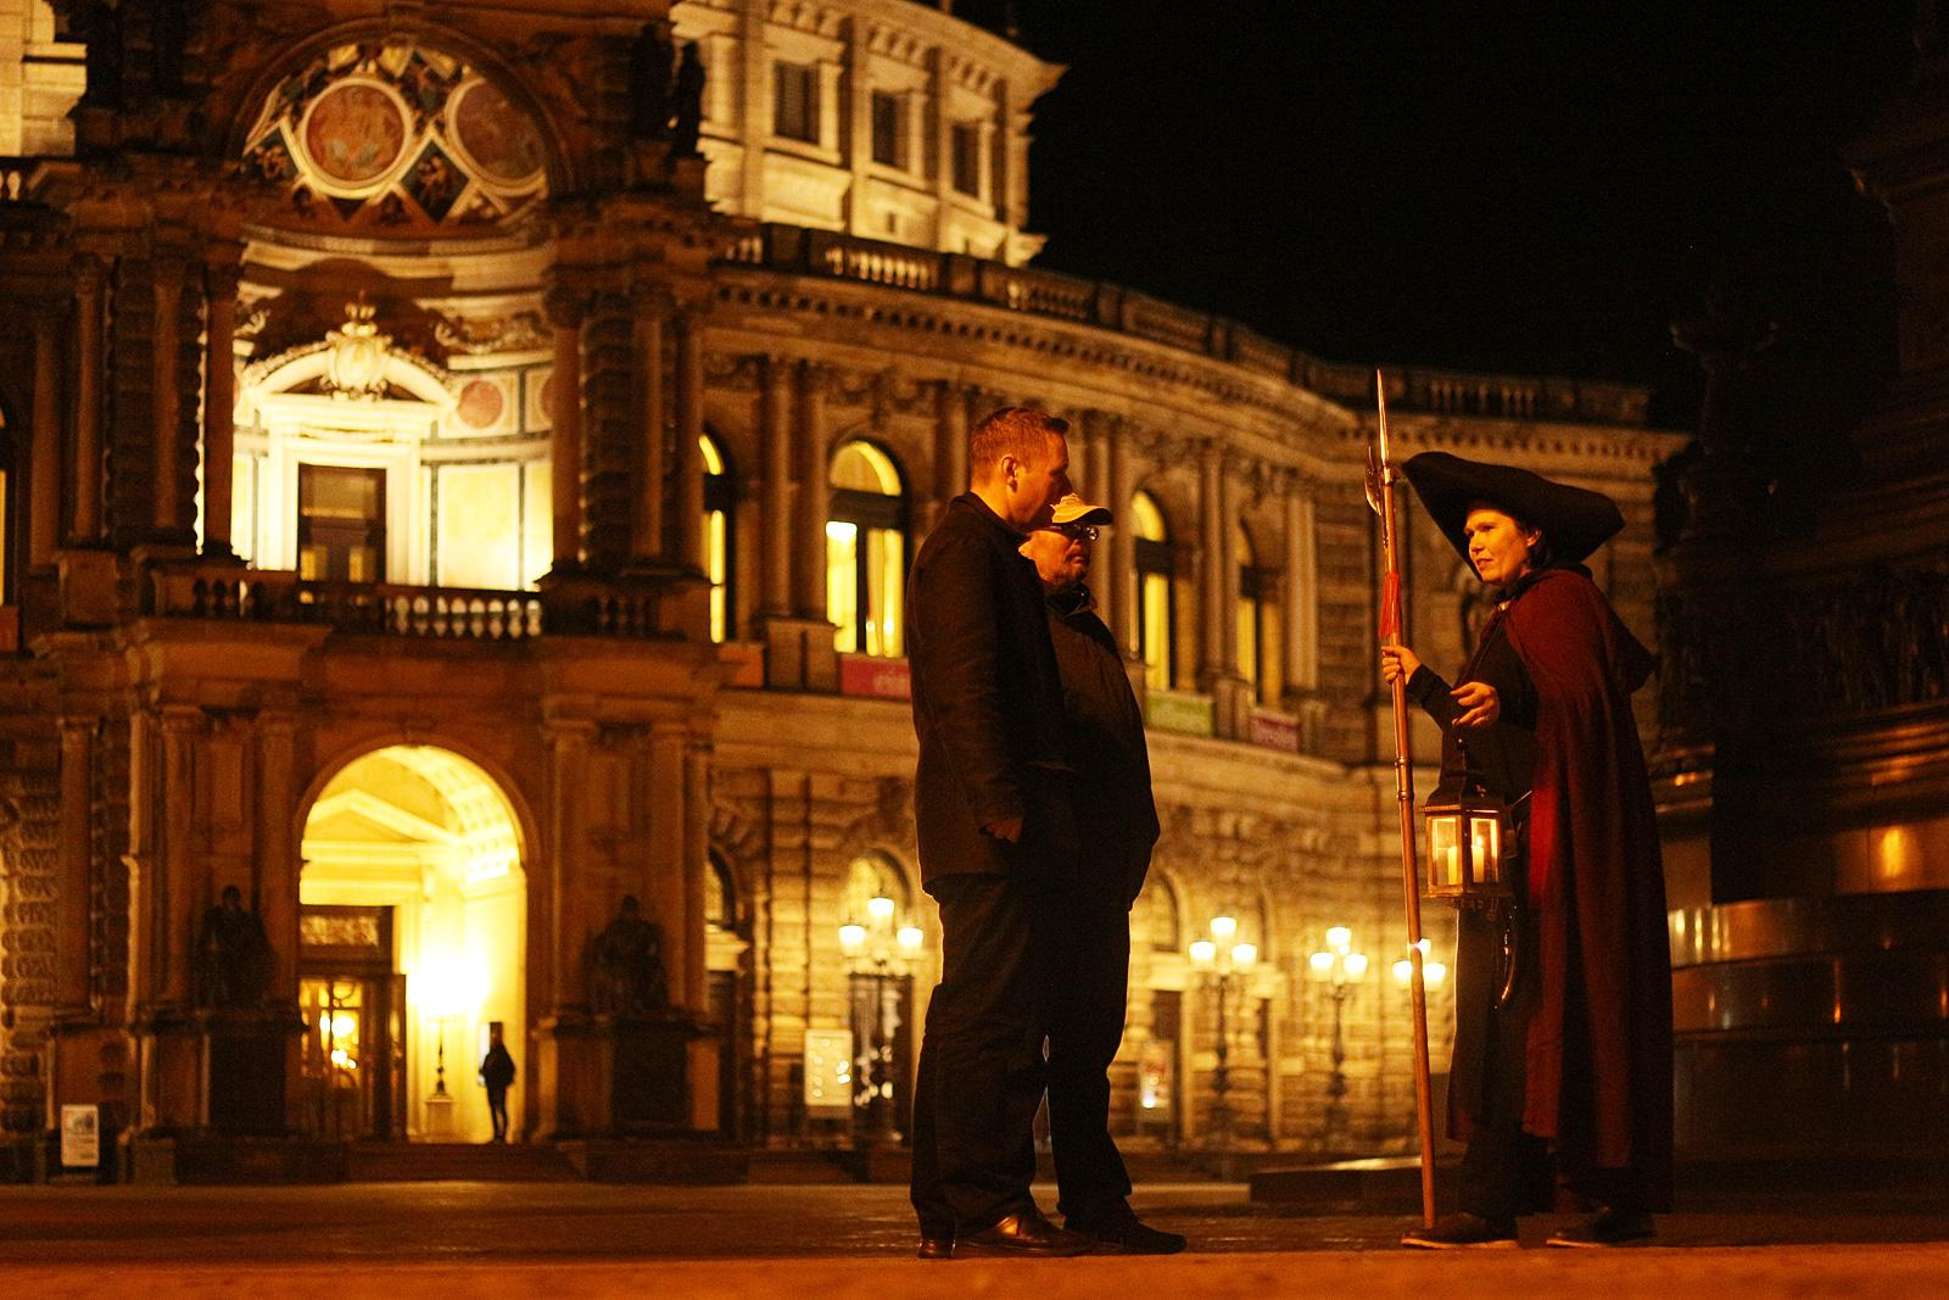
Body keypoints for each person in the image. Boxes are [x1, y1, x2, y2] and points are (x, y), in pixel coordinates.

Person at [1380, 451, 1672, 1249]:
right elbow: (1501, 732)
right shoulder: (1514, 616)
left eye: (1486, 528)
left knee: (1547, 1015)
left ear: (1532, 534)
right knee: (1499, 1025)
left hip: (1550, 859)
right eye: (1467, 533)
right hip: (1502, 862)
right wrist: (1432, 687)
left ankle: (1606, 1201)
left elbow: (1570, 707)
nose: (1472, 544)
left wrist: (1506, 696)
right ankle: (1491, 1202)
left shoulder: (1560, 602)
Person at [906, 407, 1088, 1260]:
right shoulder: (966, 551)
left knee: (967, 1015)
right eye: (1055, 474)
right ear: (1011, 469)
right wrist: (1000, 804)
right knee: (994, 1021)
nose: (1061, 491)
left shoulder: (984, 551)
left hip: (986, 821)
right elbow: (964, 686)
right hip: (991, 827)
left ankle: (948, 1204)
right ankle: (987, 1202)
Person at [1016, 494, 1185, 1255]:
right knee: (1021, 1040)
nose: (1081, 541)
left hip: (1100, 869)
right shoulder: (1017, 625)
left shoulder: (1087, 627)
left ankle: (1095, 1200)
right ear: (1023, 538)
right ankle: (1002, 1198)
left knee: (1089, 1046)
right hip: (1049, 862)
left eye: (1087, 531)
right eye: (1067, 529)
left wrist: (1133, 842)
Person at [479, 1023, 517, 1143]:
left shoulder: (503, 1055)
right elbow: (484, 1068)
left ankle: (502, 1134)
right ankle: (496, 1133)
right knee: (493, 1110)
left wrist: (502, 1079)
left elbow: (510, 1068)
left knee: (501, 1108)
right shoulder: (489, 1055)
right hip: (491, 1086)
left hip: (499, 1086)